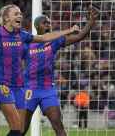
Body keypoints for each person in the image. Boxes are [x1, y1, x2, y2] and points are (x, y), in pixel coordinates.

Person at [0, 4, 78, 136]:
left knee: (18, 129)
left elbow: (45, 38)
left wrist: (68, 30)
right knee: (17, 126)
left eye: (20, 14)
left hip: (20, 86)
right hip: (3, 84)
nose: (20, 16)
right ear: (6, 18)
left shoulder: (22, 35)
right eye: (16, 14)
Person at [20, 7, 98, 136]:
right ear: (37, 25)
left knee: (58, 127)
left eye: (49, 23)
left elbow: (79, 36)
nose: (48, 25)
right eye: (45, 22)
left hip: (47, 90)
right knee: (21, 130)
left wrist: (91, 21)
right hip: (29, 89)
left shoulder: (54, 41)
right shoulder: (27, 43)